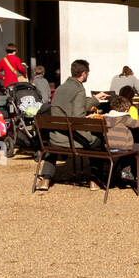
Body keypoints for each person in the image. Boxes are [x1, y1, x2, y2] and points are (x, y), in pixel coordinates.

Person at [36, 59, 101, 192]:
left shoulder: (60, 88)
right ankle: (94, 180)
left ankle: (45, 179)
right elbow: (78, 118)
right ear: (83, 73)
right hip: (72, 139)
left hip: (56, 137)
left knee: (53, 148)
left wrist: (94, 99)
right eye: (87, 73)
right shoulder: (79, 89)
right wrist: (90, 113)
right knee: (98, 142)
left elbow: (71, 106)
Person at [103, 91, 139, 191]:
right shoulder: (124, 118)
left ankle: (126, 172)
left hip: (109, 148)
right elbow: (137, 124)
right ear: (126, 109)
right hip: (123, 147)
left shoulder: (106, 118)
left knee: (129, 153)